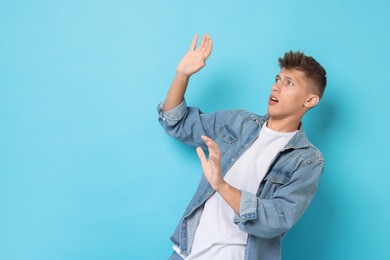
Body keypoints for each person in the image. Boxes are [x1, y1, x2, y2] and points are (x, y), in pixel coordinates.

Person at [157, 34, 327, 260]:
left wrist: (221, 185)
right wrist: (182, 75)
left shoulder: (307, 161)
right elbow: (176, 122)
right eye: (278, 79)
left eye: (289, 83)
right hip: (187, 254)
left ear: (310, 101)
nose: (277, 87)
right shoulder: (237, 122)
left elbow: (277, 219)